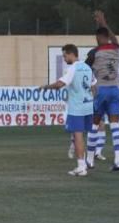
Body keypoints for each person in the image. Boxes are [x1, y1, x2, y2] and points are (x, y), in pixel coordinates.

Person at [41, 44, 96, 176]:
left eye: (65, 56)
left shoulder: (73, 68)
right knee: (83, 136)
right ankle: (86, 162)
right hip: (88, 106)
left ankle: (81, 167)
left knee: (78, 136)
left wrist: (46, 87)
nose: (64, 59)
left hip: (77, 108)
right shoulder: (87, 67)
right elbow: (94, 86)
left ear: (72, 54)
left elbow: (60, 84)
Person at [86, 10, 119, 171]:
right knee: (115, 125)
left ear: (98, 38)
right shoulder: (116, 48)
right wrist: (103, 21)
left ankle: (89, 160)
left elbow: (85, 70)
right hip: (115, 89)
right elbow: (113, 37)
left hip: (101, 90)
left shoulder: (94, 52)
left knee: (94, 125)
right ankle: (118, 161)